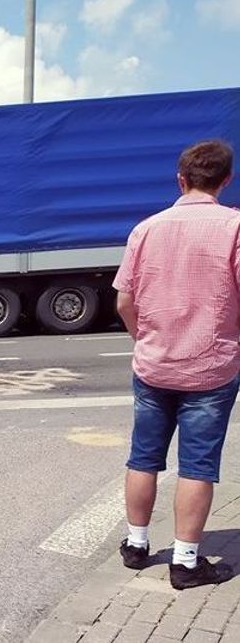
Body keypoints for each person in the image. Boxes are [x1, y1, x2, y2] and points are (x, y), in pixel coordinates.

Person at [114, 139, 240, 590]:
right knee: (198, 466)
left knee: (143, 456)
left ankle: (136, 544)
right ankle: (185, 562)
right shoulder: (235, 227)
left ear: (181, 180)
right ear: (225, 180)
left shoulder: (146, 229)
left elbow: (125, 300)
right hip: (212, 368)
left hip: (153, 364)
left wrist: (144, 338)